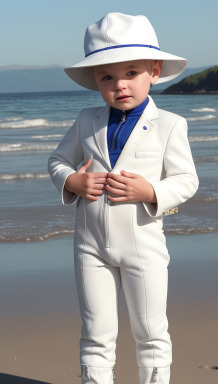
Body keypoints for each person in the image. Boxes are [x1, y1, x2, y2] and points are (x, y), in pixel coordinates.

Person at [48, 12, 199, 384]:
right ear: (96, 81)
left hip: (143, 245)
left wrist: (150, 191)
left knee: (150, 331)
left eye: (132, 73)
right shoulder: (87, 120)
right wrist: (72, 182)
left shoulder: (170, 125)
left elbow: (186, 180)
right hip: (90, 246)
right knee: (95, 333)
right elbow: (56, 160)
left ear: (155, 71)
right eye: (107, 77)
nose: (120, 85)